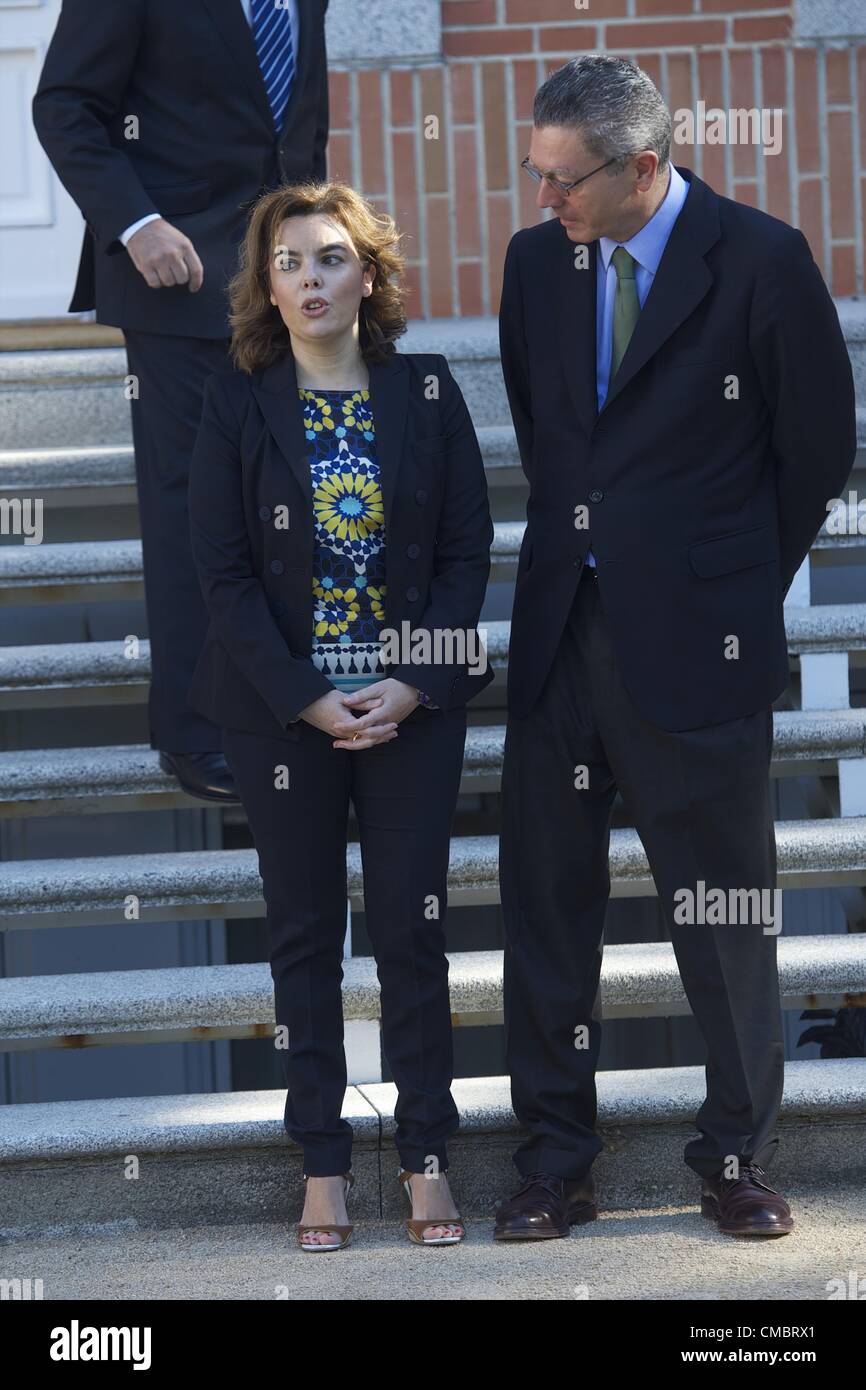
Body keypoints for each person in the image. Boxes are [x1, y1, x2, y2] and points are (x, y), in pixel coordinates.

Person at [494, 54, 856, 1242]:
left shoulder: (760, 260)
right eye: (535, 174)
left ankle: (736, 1156)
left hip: (698, 644)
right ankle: (554, 1159)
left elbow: (814, 451)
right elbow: (552, 439)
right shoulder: (534, 264)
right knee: (548, 911)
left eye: (563, 181)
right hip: (557, 637)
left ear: (642, 165)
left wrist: (729, 587)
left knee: (721, 910)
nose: (543, 200)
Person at [187, 181, 494, 1248]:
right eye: (286, 263)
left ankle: (423, 1154)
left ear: (367, 272)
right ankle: (321, 1160)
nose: (307, 279)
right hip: (282, 718)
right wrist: (306, 698)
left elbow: (465, 556)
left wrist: (413, 681)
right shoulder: (234, 400)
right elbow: (219, 577)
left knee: (413, 935)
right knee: (304, 939)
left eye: (327, 258)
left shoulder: (425, 392)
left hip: (411, 705)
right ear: (264, 289)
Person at [32, 0, 330, 803]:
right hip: (177, 276)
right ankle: (195, 730)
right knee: (194, 506)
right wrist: (135, 223)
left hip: (286, 278)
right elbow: (64, 104)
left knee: (283, 499)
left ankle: (281, 700)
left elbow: (296, 122)